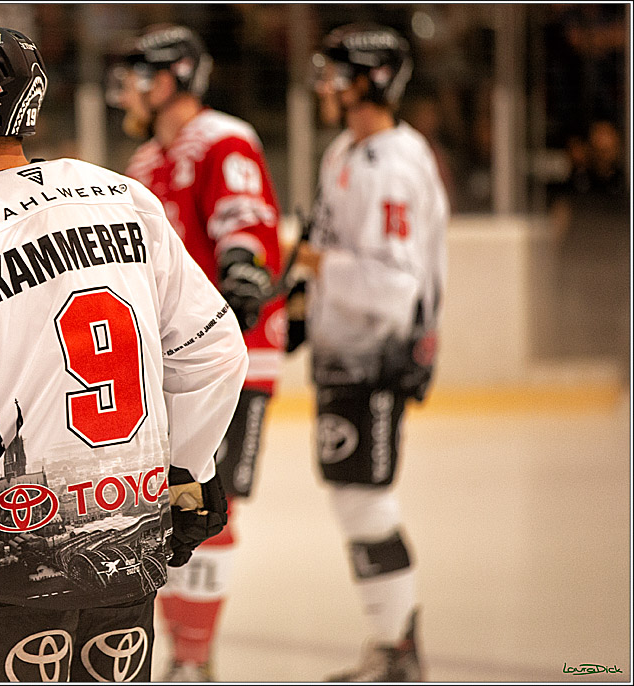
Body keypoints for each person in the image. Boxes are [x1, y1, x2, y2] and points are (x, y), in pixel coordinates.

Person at [0, 26, 249, 683]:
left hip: (1, 571)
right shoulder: (124, 197)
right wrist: (186, 469)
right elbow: (216, 351)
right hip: (127, 550)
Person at [105, 24, 285, 682]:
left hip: (230, 358)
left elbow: (244, 223)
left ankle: (192, 660)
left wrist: (243, 270)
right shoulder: (144, 164)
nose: (127, 88)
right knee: (169, 503)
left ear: (173, 76)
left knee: (209, 502)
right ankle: (185, 653)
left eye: (139, 74)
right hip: (171, 363)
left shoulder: (223, 138)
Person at [286, 23, 448, 682]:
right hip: (343, 354)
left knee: (365, 500)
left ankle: (399, 650)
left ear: (368, 83)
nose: (322, 85)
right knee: (353, 497)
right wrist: (300, 304)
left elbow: (391, 287)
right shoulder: (347, 153)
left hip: (376, 356)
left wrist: (313, 261)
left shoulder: (391, 167)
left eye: (334, 73)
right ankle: (391, 644)